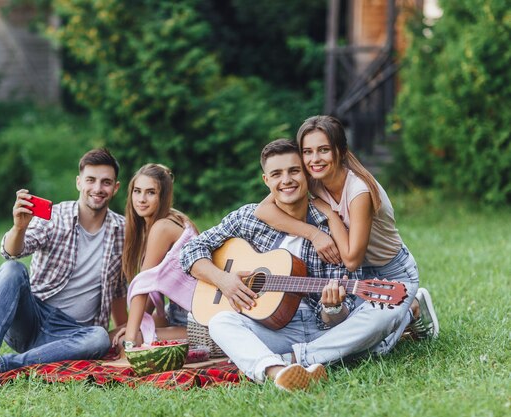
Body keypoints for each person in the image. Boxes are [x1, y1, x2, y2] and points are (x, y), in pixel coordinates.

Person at [180, 139, 361, 391]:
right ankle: (278, 373)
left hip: (317, 327)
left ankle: (291, 360)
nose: (286, 180)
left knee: (368, 324)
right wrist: (223, 279)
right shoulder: (248, 218)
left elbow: (336, 317)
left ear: (306, 174)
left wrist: (333, 308)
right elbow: (190, 250)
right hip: (267, 328)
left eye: (294, 171)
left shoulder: (331, 227)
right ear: (266, 181)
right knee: (220, 322)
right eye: (277, 174)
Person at [0, 148, 128, 387]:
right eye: (91, 180)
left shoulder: (122, 231)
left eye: (105, 182)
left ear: (115, 188)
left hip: (72, 335)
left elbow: (117, 291)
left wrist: (125, 331)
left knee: (99, 337)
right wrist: (19, 228)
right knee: (12, 269)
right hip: (32, 320)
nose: (97, 188)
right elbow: (11, 251)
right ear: (78, 183)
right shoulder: (55, 216)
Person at [255, 115, 438, 344]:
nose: (314, 159)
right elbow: (263, 210)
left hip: (391, 272)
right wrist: (314, 233)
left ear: (340, 151)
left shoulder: (358, 191)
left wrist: (330, 215)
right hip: (359, 275)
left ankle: (411, 310)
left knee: (372, 346)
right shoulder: (313, 178)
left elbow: (351, 259)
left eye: (323, 150)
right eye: (307, 151)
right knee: (341, 331)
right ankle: (405, 309)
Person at [112, 163, 199, 350]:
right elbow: (153, 286)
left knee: (119, 341)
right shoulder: (155, 224)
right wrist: (131, 327)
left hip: (198, 324)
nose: (141, 199)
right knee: (114, 333)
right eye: (137, 191)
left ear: (163, 196)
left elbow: (142, 286)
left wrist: (130, 340)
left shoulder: (163, 227)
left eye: (150, 192)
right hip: (176, 314)